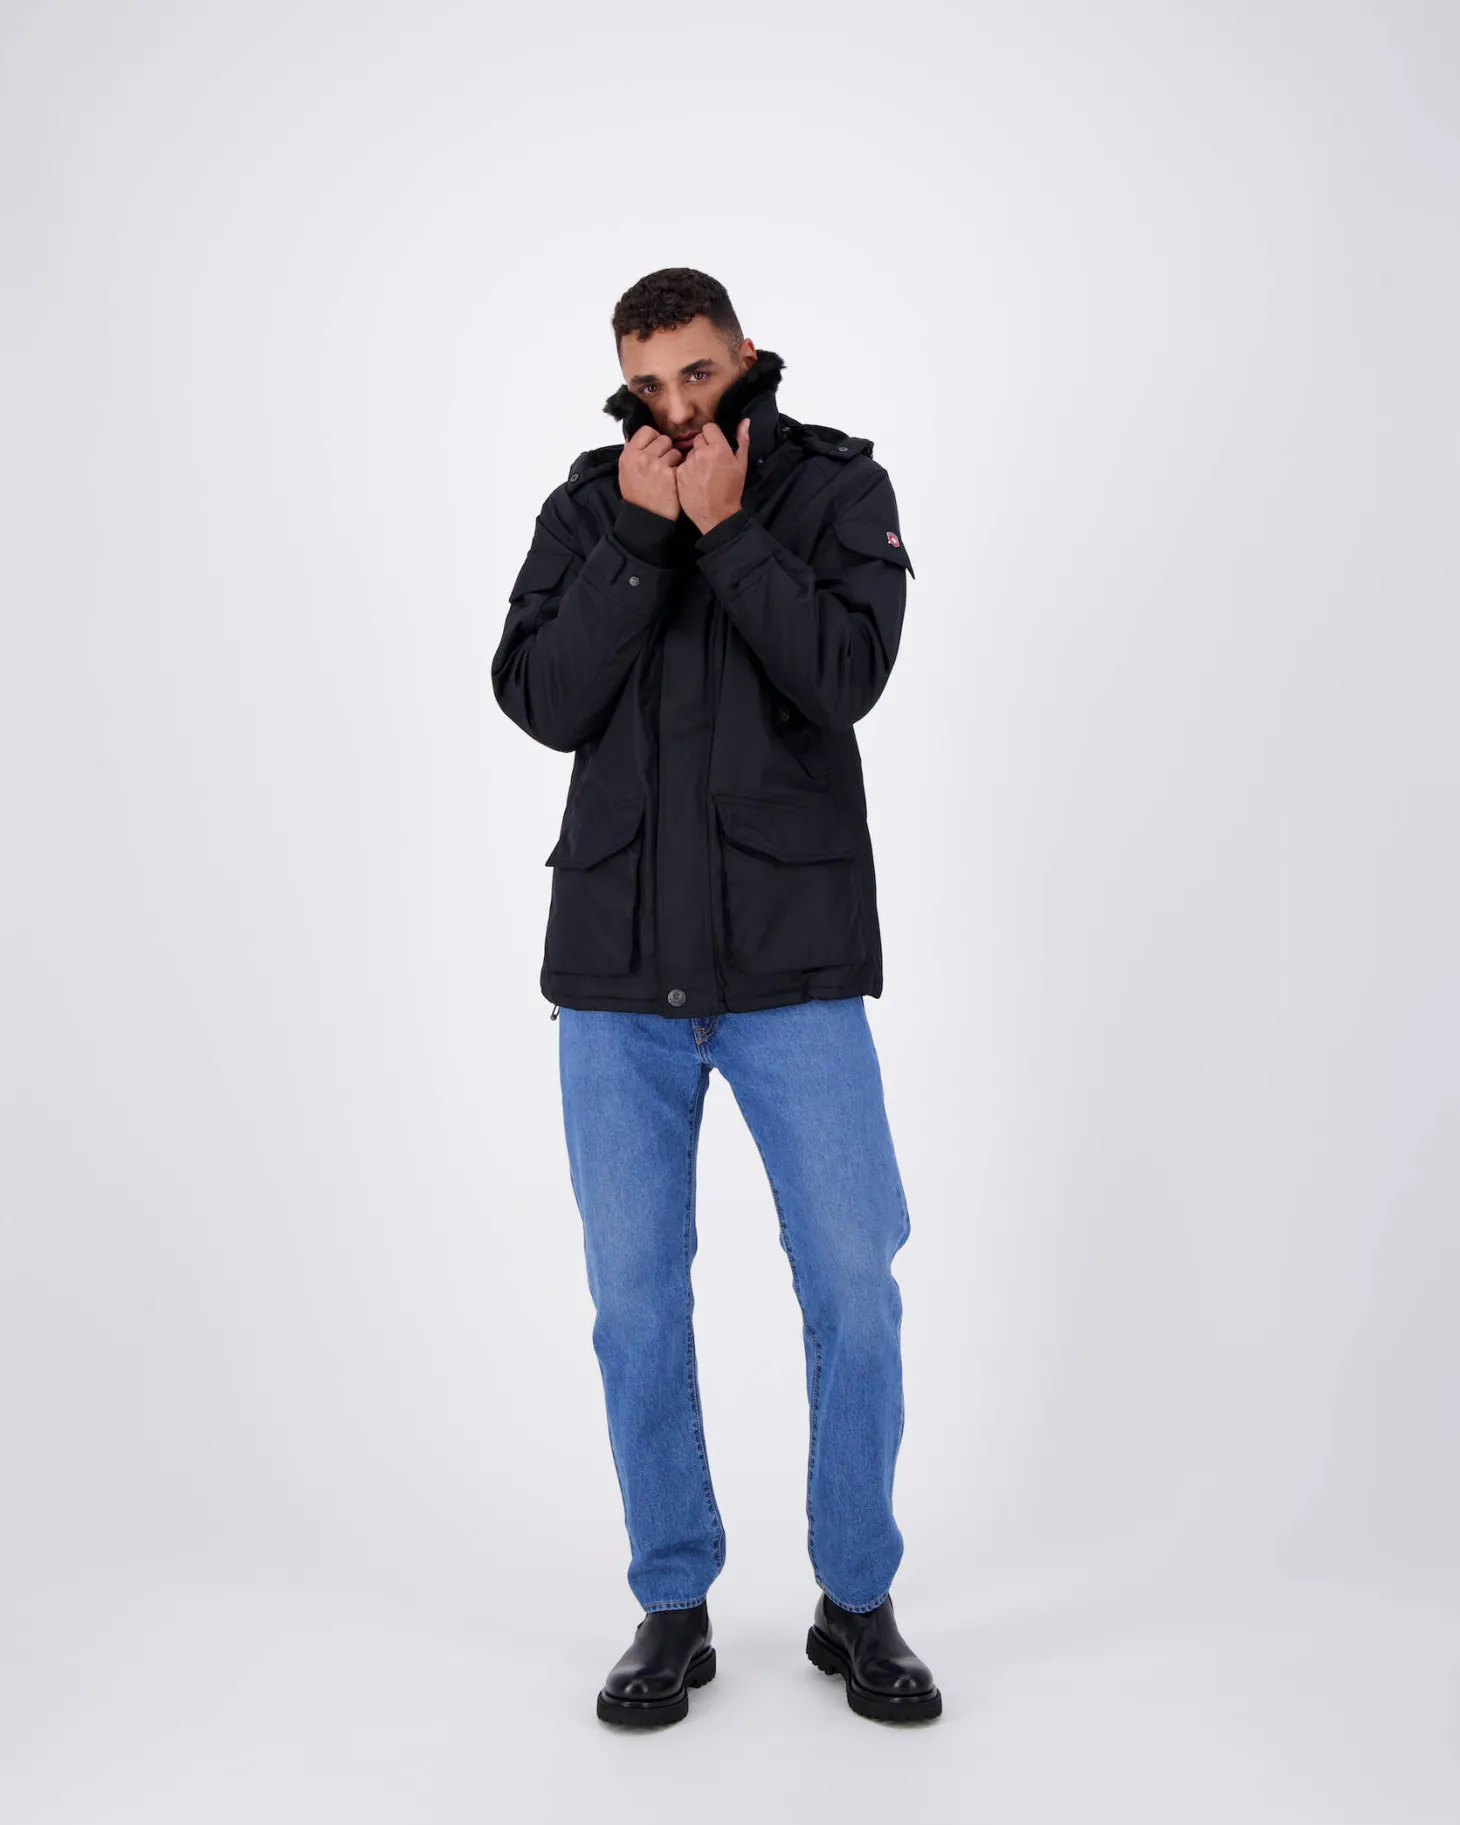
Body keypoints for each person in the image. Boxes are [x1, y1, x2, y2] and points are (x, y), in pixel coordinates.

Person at [492, 268, 940, 1727]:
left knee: (855, 1283)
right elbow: (540, 698)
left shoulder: (833, 488)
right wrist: (639, 537)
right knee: (633, 1302)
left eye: (697, 372)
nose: (677, 407)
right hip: (617, 973)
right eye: (650, 383)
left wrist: (729, 531)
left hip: (792, 965)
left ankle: (856, 1598)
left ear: (743, 353)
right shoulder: (588, 506)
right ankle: (671, 1603)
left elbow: (844, 674)